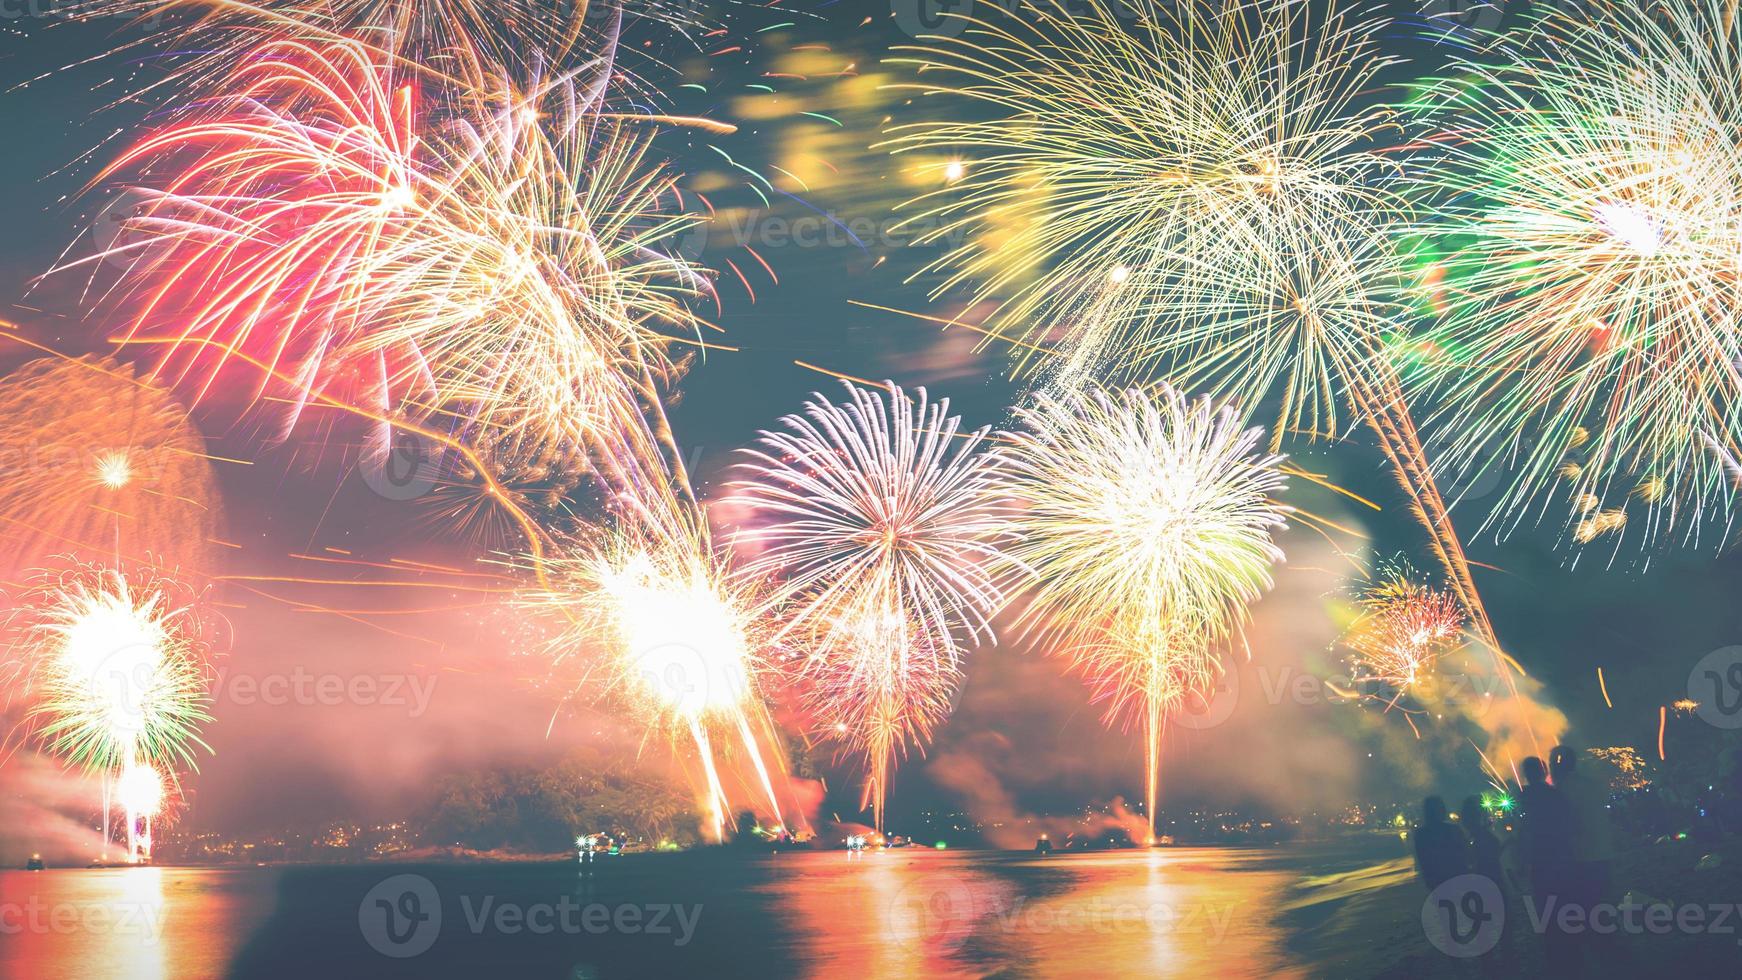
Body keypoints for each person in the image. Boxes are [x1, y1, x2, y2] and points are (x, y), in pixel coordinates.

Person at [1516, 756, 1577, 977]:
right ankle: (1571, 951)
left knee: (1546, 908)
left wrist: (1521, 861)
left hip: (1540, 859)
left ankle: (1555, 955)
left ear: (1526, 774)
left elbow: (1524, 832)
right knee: (1565, 903)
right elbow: (1569, 823)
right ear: (1543, 772)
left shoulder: (1524, 798)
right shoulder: (1555, 794)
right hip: (1560, 856)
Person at [1412, 795, 1468, 891]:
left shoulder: (1420, 834)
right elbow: (1465, 854)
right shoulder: (1453, 830)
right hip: (1458, 879)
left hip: (1435, 883)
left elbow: (1422, 861)